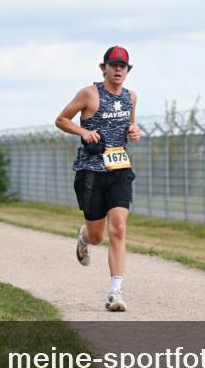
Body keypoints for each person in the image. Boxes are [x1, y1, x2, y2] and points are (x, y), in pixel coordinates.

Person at [55, 46, 142, 312]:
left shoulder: (131, 97)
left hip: (119, 170)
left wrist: (134, 131)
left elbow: (129, 127)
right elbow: (61, 120)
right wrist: (83, 131)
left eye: (123, 66)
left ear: (127, 71)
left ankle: (115, 292)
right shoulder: (89, 94)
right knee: (97, 236)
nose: (118, 70)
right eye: (113, 65)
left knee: (118, 228)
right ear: (103, 68)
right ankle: (83, 237)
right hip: (91, 171)